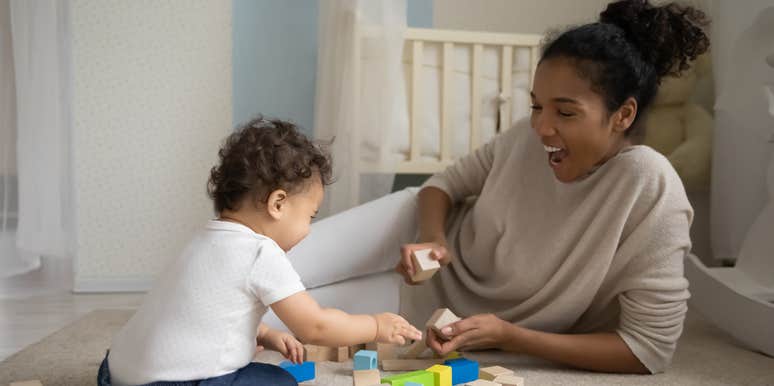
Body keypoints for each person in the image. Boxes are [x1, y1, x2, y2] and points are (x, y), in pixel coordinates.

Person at [394, 0, 709, 374]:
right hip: (419, 254)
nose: (542, 127)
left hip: (444, 316)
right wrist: (434, 238)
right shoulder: (529, 138)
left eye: (565, 112)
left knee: (313, 311)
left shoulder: (650, 186)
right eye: (536, 106)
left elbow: (648, 350)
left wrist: (511, 336)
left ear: (623, 114)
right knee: (305, 267)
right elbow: (441, 186)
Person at [98, 117, 422, 386]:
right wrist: (376, 326)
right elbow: (315, 326)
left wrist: (264, 333)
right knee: (279, 381)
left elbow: (202, 312)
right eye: (309, 216)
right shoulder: (260, 252)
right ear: (278, 203)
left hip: (114, 372)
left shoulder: (204, 238)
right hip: (174, 383)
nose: (309, 230)